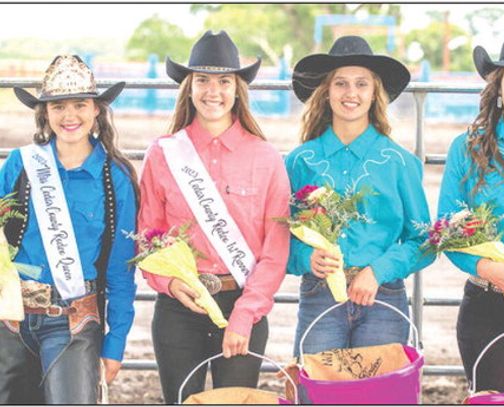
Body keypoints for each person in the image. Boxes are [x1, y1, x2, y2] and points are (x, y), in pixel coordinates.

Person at [137, 30, 290, 403]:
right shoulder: (163, 153)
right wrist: (170, 284)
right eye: (202, 80)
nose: (213, 91)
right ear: (188, 87)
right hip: (180, 307)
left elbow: (275, 249)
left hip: (241, 304)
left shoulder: (266, 157)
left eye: (224, 81)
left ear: (238, 89)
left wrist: (245, 313)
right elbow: (147, 235)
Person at [0, 55, 138, 404]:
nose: (69, 115)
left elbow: (122, 270)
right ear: (44, 112)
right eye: (58, 106)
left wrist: (115, 343)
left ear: (96, 110)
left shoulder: (114, 178)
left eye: (80, 104)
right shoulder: (20, 164)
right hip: (10, 319)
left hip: (74, 322)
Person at [286, 36, 431, 358]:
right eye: (341, 83)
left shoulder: (399, 162)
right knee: (316, 391)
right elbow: (278, 234)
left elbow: (423, 241)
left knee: (378, 392)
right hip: (319, 292)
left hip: (382, 295)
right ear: (326, 92)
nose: (351, 93)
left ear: (374, 93)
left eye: (361, 84)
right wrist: (304, 257)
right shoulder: (300, 161)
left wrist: (378, 270)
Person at [438, 26, 504, 392]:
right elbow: (446, 228)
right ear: (498, 85)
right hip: (485, 306)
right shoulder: (465, 148)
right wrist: (487, 267)